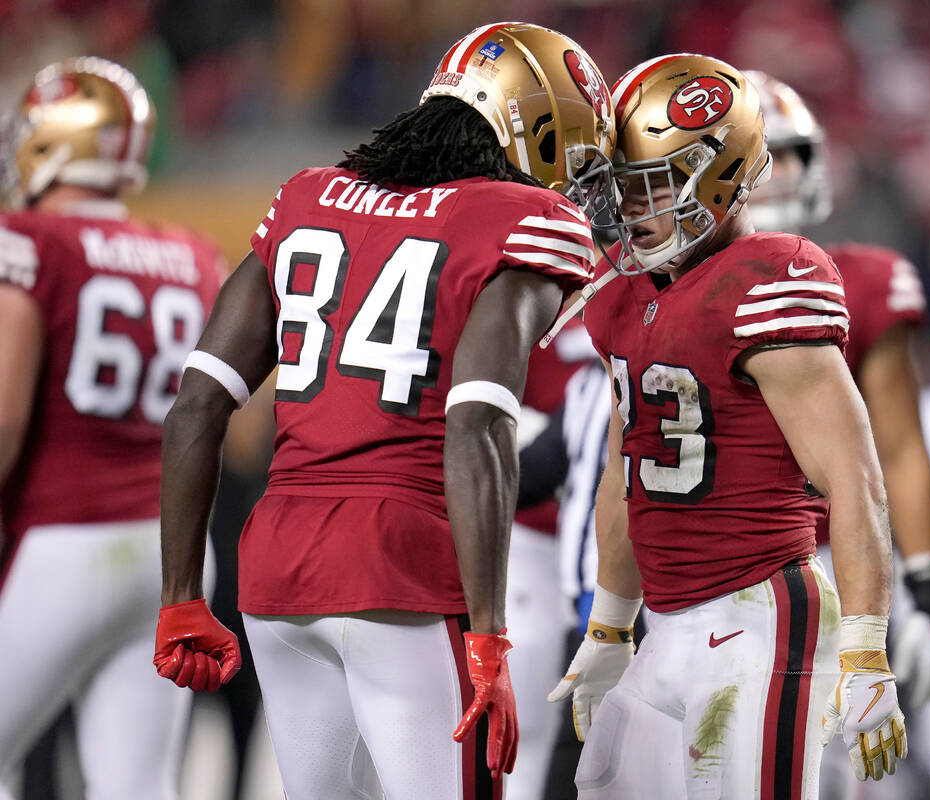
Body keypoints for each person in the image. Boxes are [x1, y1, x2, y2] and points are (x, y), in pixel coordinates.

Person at [152, 22, 615, 800]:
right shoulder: (518, 221)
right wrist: (491, 635)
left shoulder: (307, 197)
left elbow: (197, 406)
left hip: (276, 578)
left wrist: (179, 598)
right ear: (529, 132)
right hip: (404, 571)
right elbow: (478, 426)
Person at [549, 54, 906, 799]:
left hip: (758, 613)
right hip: (667, 620)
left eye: (647, 188)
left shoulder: (769, 276)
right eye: (620, 190)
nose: (630, 210)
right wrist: (611, 624)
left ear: (715, 177)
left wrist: (868, 650)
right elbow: (628, 471)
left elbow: (855, 475)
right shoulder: (622, 299)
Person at [0, 58, 223, 799]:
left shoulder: (31, 242)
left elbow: (3, 415)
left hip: (61, 545)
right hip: (173, 558)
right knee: (138, 787)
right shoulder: (193, 256)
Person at [746, 69, 930, 718]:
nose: (776, 175)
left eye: (789, 155)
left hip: (829, 562)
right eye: (757, 158)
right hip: (701, 562)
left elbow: (899, 448)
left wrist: (926, 585)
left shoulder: (861, 281)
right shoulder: (657, 295)